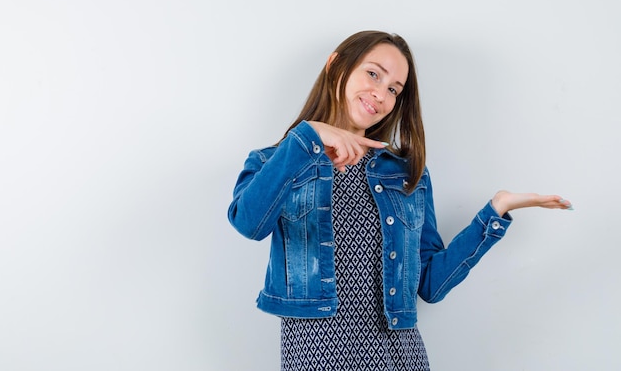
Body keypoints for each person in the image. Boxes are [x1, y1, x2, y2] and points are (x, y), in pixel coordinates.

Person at [227, 30, 572, 371]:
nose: (380, 94)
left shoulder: (407, 174)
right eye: (373, 73)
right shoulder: (274, 160)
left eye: (393, 89)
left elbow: (431, 286)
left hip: (400, 356)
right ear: (336, 66)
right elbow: (248, 223)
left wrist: (495, 213)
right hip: (317, 355)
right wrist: (308, 137)